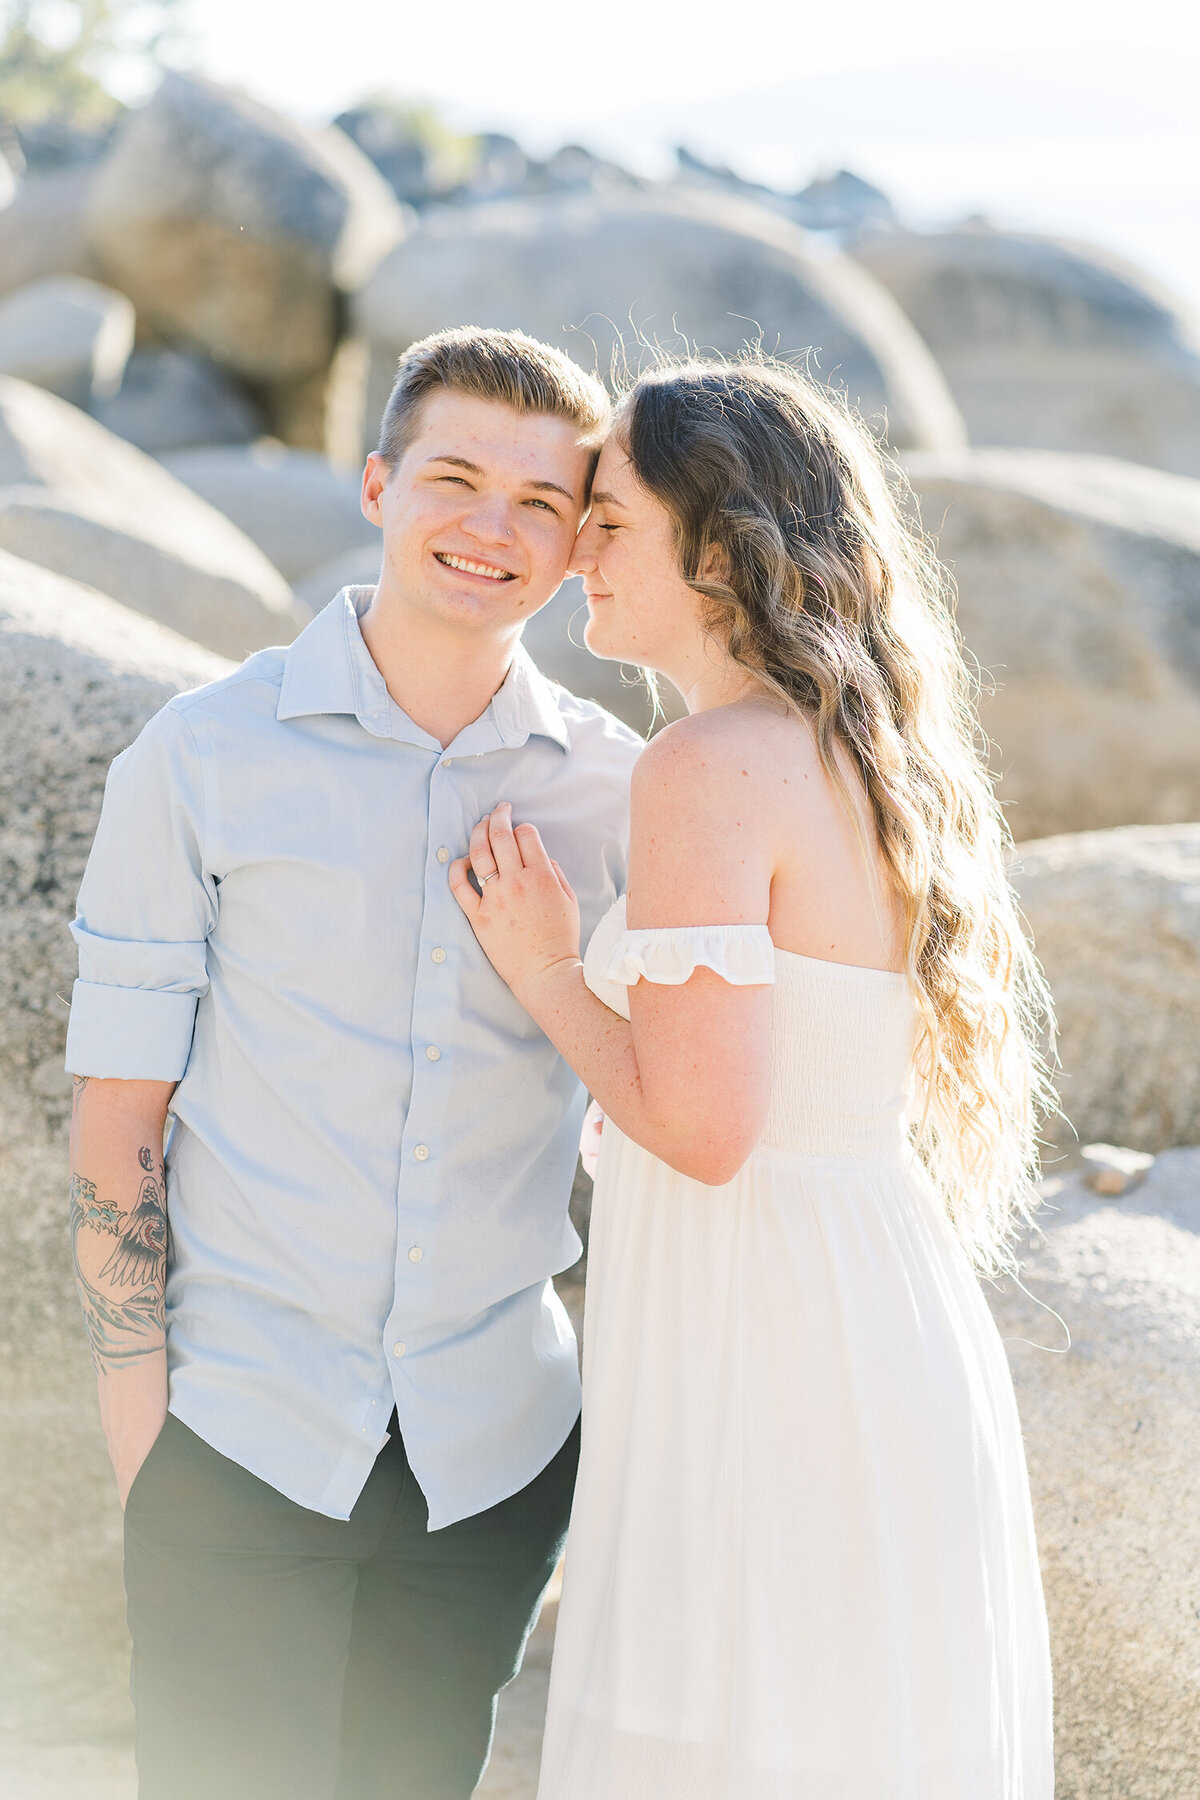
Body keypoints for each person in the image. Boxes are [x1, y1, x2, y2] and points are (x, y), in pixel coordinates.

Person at [451, 357, 1056, 1798]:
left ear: (716, 550)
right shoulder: (858, 751)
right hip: (862, 1297)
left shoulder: (707, 766)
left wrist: (542, 969)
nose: (570, 554)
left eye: (607, 522)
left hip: (763, 1315)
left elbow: (704, 1129)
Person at [64, 326, 643, 1800]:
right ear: (379, 482)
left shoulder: (618, 792)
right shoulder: (200, 758)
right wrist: (152, 1447)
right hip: (239, 1437)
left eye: (540, 502)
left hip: (496, 1456)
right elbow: (121, 1115)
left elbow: (654, 1093)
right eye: (455, 477)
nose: (490, 528)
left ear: (582, 544)